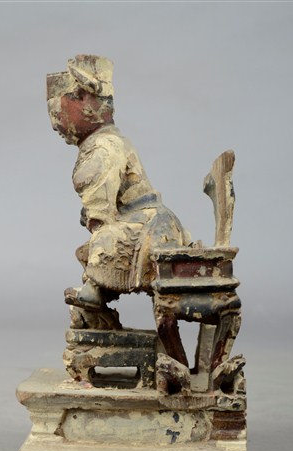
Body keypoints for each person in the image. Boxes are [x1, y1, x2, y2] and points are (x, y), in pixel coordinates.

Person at [47, 54, 191, 311]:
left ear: (84, 101)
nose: (56, 125)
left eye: (59, 113)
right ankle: (96, 297)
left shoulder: (105, 146)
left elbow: (101, 206)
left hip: (146, 225)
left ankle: (95, 289)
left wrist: (95, 221)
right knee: (89, 249)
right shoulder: (103, 142)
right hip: (146, 220)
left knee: (105, 239)